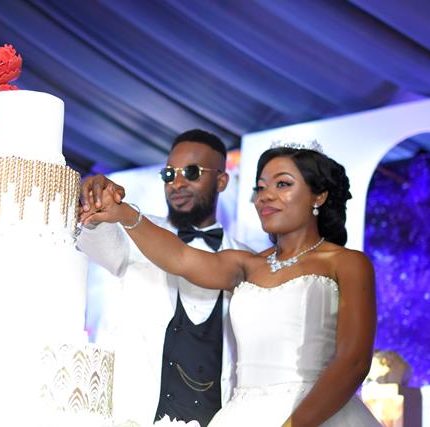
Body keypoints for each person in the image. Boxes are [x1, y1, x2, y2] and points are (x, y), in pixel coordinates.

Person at [81, 141, 381, 426]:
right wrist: (123, 212)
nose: (265, 196)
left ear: (319, 196)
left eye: (282, 184)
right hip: (243, 414)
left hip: (318, 415)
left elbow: (353, 362)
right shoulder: (245, 265)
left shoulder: (347, 263)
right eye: (261, 187)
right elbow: (181, 258)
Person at [77, 129, 250, 426]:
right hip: (138, 415)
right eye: (169, 174)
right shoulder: (134, 233)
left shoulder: (245, 259)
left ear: (221, 181)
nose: (177, 184)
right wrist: (94, 203)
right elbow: (95, 237)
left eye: (192, 172)